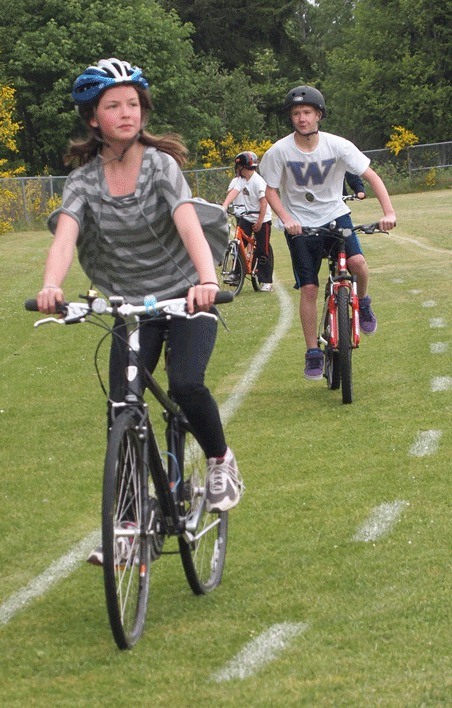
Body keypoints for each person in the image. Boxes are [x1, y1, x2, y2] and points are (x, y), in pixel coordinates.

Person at [36, 58, 242, 556]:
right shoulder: (84, 180)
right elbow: (66, 236)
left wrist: (207, 281)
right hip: (131, 305)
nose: (126, 113)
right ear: (93, 118)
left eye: (133, 104)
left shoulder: (159, 165)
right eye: (113, 106)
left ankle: (219, 460)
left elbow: (187, 220)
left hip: (187, 293)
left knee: (186, 384)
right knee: (121, 408)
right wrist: (51, 286)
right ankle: (129, 526)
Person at [260, 85, 397, 380]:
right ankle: (312, 351)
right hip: (300, 225)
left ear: (319, 115)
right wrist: (286, 218)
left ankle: (363, 301)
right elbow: (270, 190)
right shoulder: (278, 152)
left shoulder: (338, 146)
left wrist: (389, 213)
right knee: (309, 288)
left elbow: (370, 175)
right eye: (296, 113)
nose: (301, 118)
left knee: (358, 265)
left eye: (307, 112)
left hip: (335, 217)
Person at [222, 151, 274, 291]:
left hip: (262, 218)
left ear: (244, 167)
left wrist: (259, 222)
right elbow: (234, 192)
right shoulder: (241, 180)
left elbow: (264, 203)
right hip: (247, 215)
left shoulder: (258, 182)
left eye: (239, 167)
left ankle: (266, 281)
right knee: (239, 244)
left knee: (262, 249)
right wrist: (224, 206)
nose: (237, 170)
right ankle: (236, 274)